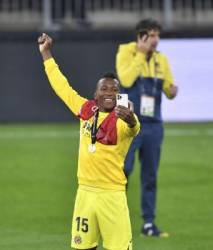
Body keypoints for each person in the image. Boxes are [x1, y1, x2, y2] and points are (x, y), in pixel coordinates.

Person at [38, 33, 140, 250]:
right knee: (82, 247)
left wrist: (131, 118)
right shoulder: (86, 109)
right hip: (85, 192)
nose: (109, 93)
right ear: (96, 93)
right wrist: (46, 53)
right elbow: (62, 87)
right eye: (104, 88)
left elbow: (133, 128)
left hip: (112, 194)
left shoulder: (121, 118)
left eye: (114, 90)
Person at [116, 19, 178, 237]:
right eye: (151, 35)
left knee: (150, 176)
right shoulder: (126, 52)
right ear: (140, 36)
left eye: (157, 35)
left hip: (153, 124)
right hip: (128, 123)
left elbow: (169, 91)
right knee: (122, 172)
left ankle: (148, 223)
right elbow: (125, 79)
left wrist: (172, 91)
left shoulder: (162, 59)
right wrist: (141, 55)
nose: (155, 39)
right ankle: (115, 219)